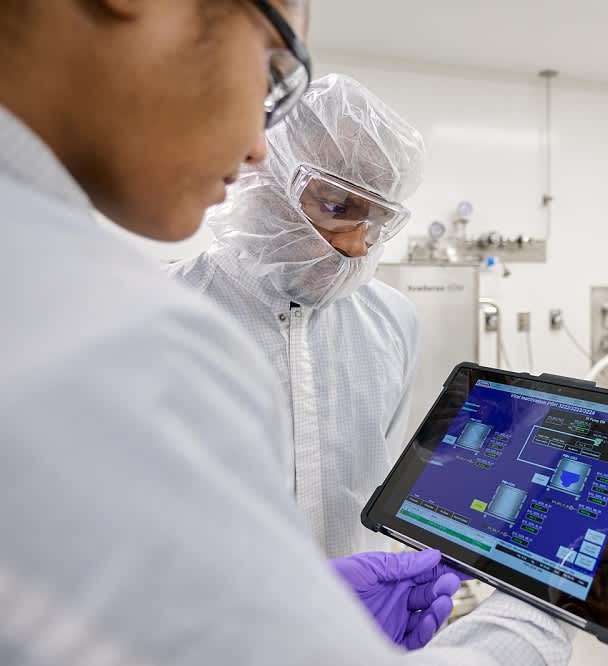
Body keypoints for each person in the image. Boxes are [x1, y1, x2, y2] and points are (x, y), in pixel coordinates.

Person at [0, 1, 574, 664]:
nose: (253, 143)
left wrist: (301, 613)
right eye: (272, 69)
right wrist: (539, 611)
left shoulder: (391, 322)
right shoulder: (144, 329)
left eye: (377, 221)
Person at [170, 73, 421, 559]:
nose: (355, 245)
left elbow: (382, 485)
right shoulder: (168, 318)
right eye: (336, 206)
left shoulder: (394, 322)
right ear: (264, 178)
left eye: (375, 221)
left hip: (360, 622)